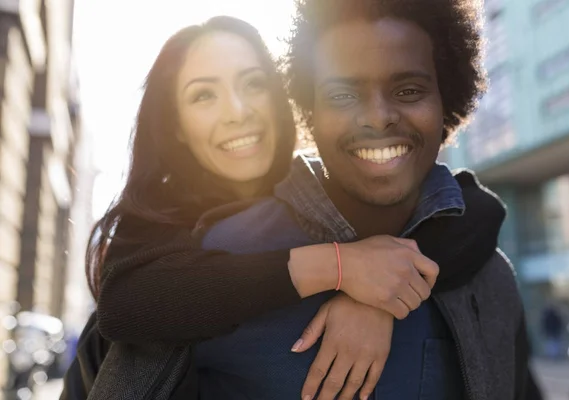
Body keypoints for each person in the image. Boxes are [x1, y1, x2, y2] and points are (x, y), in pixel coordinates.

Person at [60, 12, 530, 400]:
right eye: (204, 95)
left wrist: (391, 290)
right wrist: (340, 268)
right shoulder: (172, 247)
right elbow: (126, 309)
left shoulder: (480, 268)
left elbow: (476, 212)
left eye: (253, 84)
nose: (237, 112)